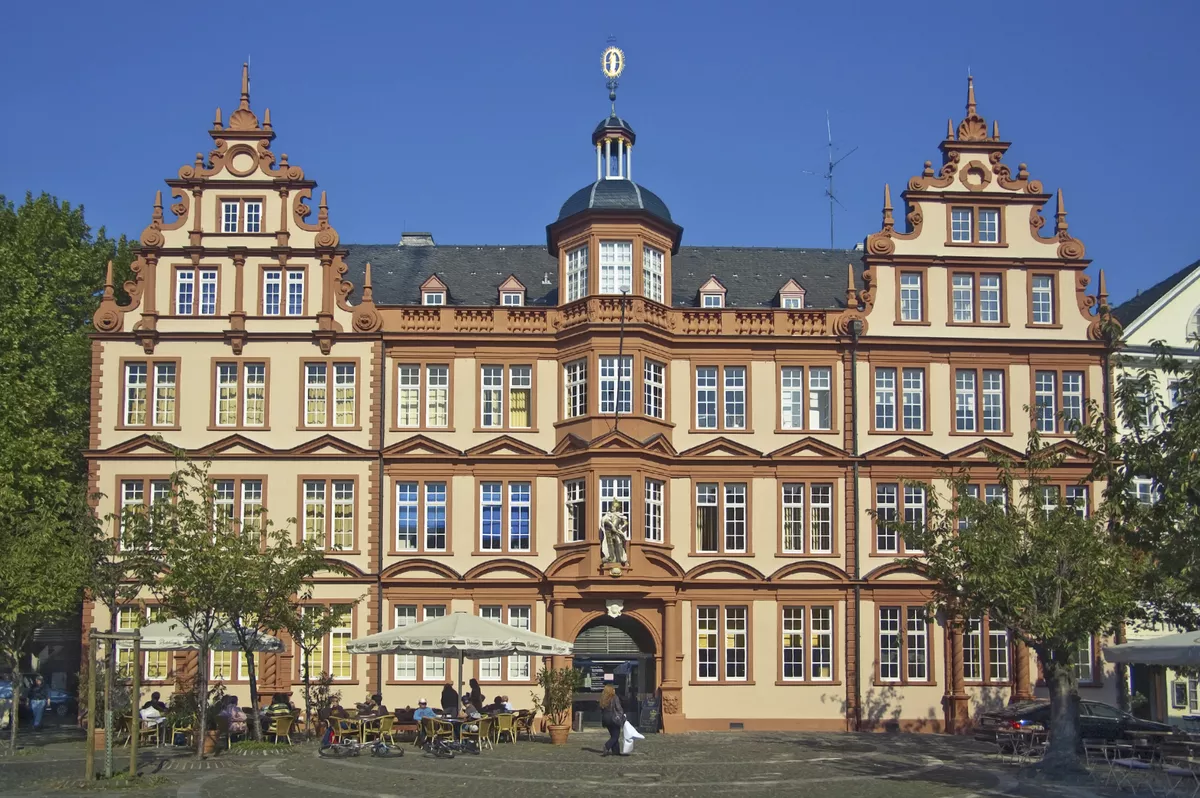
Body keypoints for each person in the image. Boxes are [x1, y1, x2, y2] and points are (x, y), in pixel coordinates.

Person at [598, 684, 624, 757]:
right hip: (613, 718)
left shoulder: (603, 698)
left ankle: (616, 751)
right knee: (616, 736)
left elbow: (601, 709)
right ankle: (607, 746)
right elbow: (618, 708)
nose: (614, 690)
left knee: (613, 735)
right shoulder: (614, 697)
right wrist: (621, 715)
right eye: (613, 689)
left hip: (606, 719)